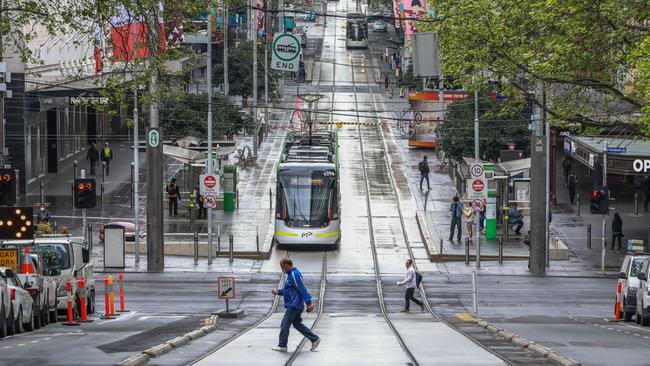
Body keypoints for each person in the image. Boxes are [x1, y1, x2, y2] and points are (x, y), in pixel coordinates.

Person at [271, 258, 320, 352]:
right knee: (297, 324)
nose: (283, 270)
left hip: (294, 305)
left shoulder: (294, 274)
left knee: (285, 324)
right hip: (294, 304)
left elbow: (302, 288)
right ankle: (314, 339)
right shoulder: (290, 275)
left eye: (283, 268)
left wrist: (309, 303)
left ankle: (282, 345)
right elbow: (288, 290)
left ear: (286, 265)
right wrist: (278, 292)